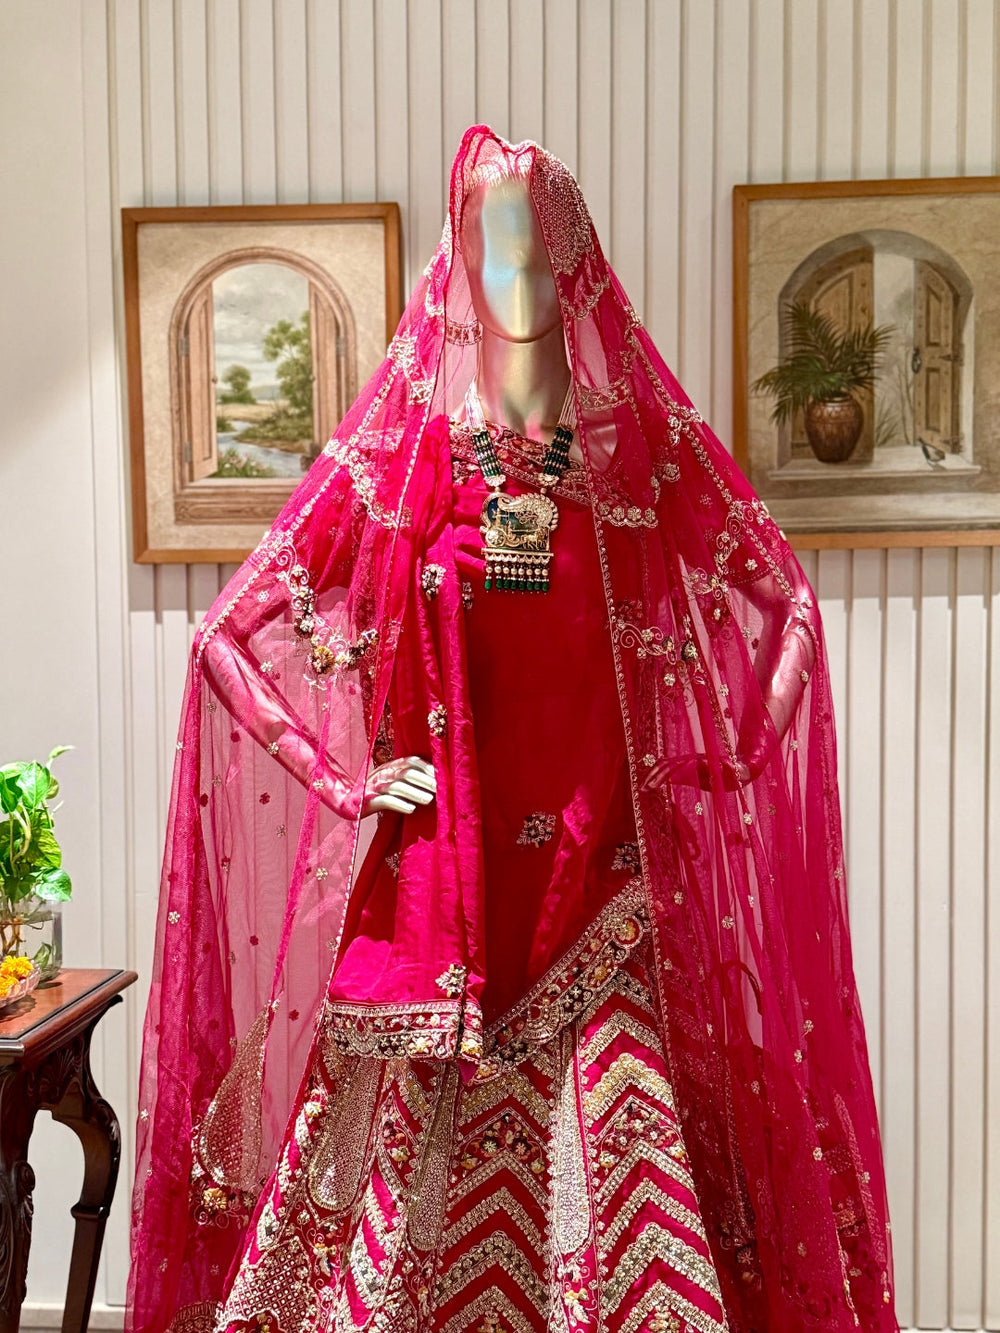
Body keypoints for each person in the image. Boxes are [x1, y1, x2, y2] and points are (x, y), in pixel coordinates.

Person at [127, 125, 897, 1333]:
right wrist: (345, 776)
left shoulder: (639, 460)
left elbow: (781, 598)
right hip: (447, 894)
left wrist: (729, 753)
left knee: (641, 1198)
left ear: (577, 265)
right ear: (457, 265)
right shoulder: (405, 464)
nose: (519, 282)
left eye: (541, 254)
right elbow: (231, 632)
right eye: (494, 254)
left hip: (606, 886)